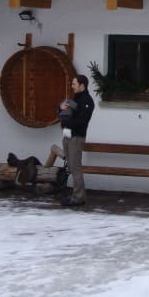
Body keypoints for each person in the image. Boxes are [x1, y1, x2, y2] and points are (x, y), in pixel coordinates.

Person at [59, 74, 94, 206]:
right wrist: (61, 109)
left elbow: (82, 120)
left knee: (75, 167)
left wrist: (67, 123)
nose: (72, 86)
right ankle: (77, 195)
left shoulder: (87, 101)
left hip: (77, 137)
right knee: (71, 166)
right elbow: (66, 113)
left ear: (81, 85)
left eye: (74, 84)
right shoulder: (76, 98)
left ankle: (79, 196)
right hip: (68, 135)